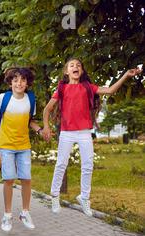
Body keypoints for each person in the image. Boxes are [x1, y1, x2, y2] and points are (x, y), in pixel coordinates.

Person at [42, 57, 142, 216]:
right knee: (61, 164)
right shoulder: (61, 89)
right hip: (67, 132)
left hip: (84, 133)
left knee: (88, 165)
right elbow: (47, 109)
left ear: (81, 71)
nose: (75, 67)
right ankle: (54, 196)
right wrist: (46, 126)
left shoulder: (87, 87)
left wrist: (125, 75)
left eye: (78, 65)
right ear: (67, 72)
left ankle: (84, 198)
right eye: (72, 65)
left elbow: (110, 90)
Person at [0, 67, 44, 232]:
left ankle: (25, 213)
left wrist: (39, 130)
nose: (19, 83)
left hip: (24, 145)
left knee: (26, 179)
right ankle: (7, 215)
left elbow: (30, 120)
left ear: (27, 82)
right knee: (9, 179)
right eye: (15, 80)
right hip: (6, 145)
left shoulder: (30, 99)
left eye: (23, 80)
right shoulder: (4, 97)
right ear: (10, 82)